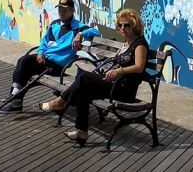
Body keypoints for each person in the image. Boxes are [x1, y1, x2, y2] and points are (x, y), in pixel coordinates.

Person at [39, 9, 148, 147]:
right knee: (83, 91)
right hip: (113, 84)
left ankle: (60, 102)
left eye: (127, 25)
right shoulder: (126, 43)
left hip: (124, 90)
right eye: (120, 25)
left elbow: (139, 67)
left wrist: (119, 71)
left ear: (134, 25)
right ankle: (81, 132)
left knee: (84, 77)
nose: (122, 28)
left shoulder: (139, 44)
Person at [0, 0, 100, 114]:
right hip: (44, 60)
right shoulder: (54, 24)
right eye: (60, 10)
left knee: (25, 65)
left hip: (57, 66)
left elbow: (96, 32)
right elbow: (44, 41)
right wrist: (40, 52)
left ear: (72, 11)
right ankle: (15, 96)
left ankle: (15, 99)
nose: (61, 12)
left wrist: (81, 34)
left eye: (64, 10)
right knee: (23, 61)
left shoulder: (78, 27)